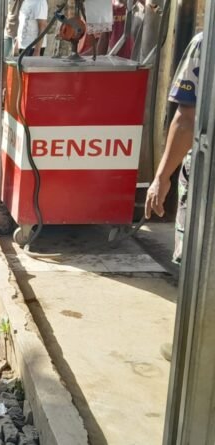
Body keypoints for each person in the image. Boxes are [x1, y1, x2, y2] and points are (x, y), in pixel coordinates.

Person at [144, 33, 201, 361]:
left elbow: (186, 119)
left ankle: (191, 348)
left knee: (199, 259)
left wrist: (161, 177)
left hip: (207, 180)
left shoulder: (205, 43)